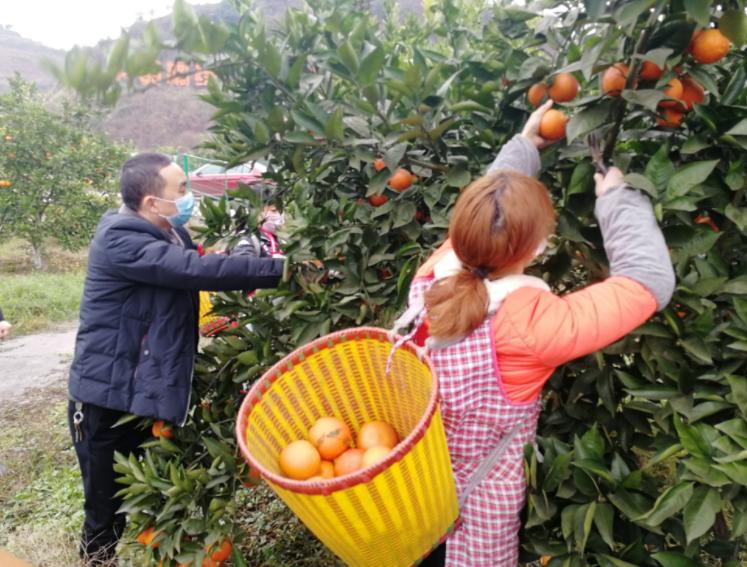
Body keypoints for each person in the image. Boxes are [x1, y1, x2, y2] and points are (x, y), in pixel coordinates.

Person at [404, 101, 675, 566]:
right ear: (538, 246)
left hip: (414, 476)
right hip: (479, 498)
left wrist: (526, 146)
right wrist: (617, 197)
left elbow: (488, 215)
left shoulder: (435, 272)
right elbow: (648, 281)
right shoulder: (532, 325)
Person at [67, 153, 285, 566]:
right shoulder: (120, 239)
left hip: (146, 392)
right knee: (104, 513)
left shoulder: (172, 234)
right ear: (151, 202)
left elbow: (195, 270)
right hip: (105, 399)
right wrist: (280, 270)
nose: (189, 198)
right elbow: (192, 270)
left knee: (158, 494)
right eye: (181, 190)